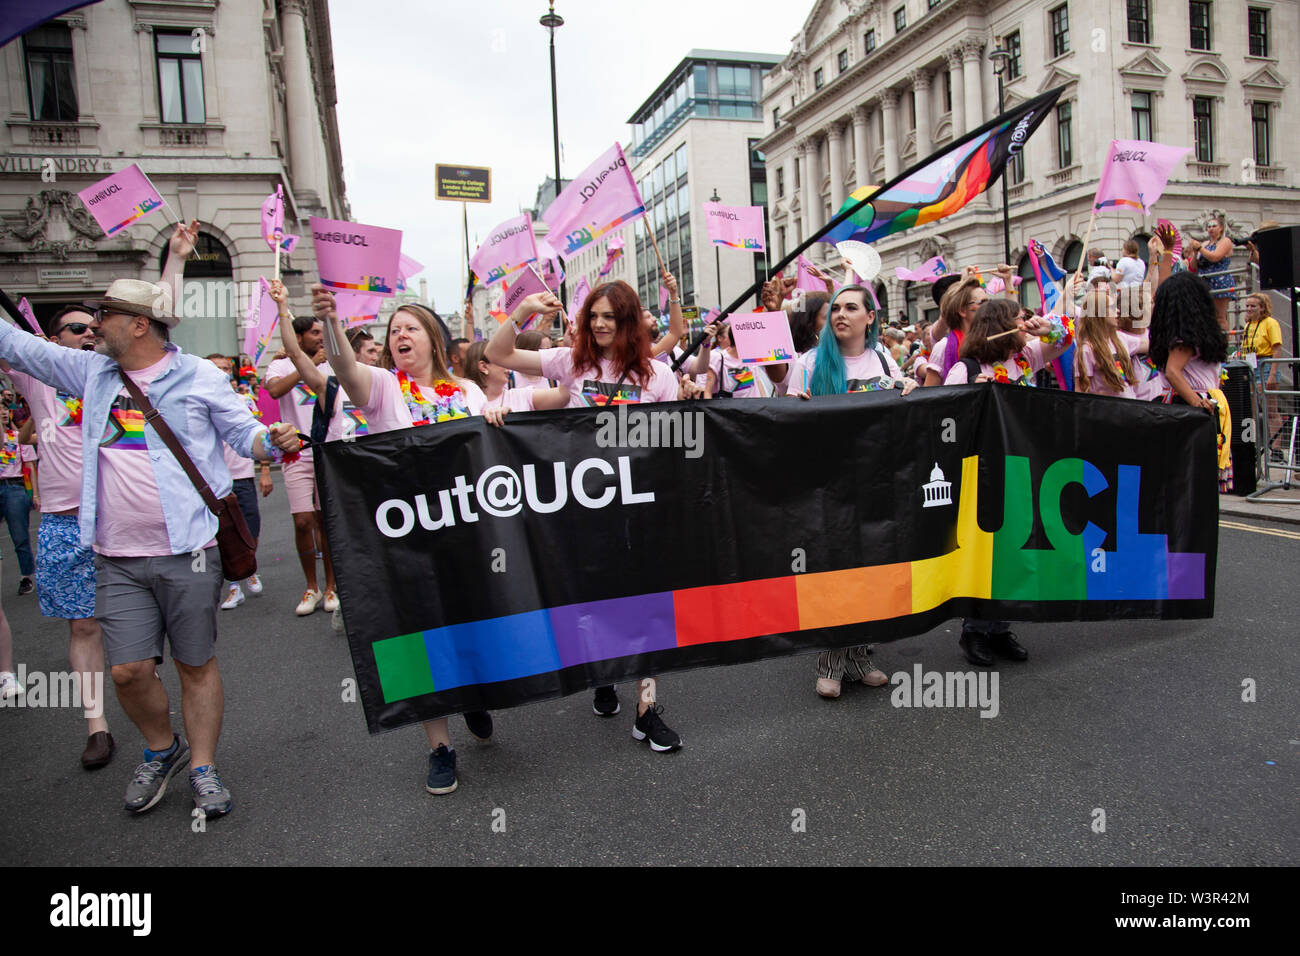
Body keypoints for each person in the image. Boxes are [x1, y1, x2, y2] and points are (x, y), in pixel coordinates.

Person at [0, 277, 299, 818]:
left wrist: (269, 443)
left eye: (106, 316)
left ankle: (204, 767)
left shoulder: (197, 375)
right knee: (128, 672)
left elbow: (244, 433)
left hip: (189, 549)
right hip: (115, 555)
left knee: (194, 663)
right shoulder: (91, 372)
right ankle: (163, 749)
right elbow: (20, 346)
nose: (95, 327)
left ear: (139, 324)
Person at [301, 282, 493, 795]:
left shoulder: (468, 391)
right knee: (419, 633)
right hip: (409, 535)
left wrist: (495, 417)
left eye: (410, 327)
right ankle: (439, 747)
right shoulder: (385, 388)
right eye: (393, 330)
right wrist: (333, 324)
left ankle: (472, 692)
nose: (400, 335)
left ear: (432, 337)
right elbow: (345, 370)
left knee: (471, 623)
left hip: (467, 530)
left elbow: (488, 451)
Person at [486, 282, 689, 751]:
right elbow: (502, 355)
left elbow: (674, 443)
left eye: (610, 317)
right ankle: (605, 672)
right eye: (593, 315)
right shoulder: (570, 361)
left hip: (638, 510)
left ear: (628, 321)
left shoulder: (657, 376)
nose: (599, 324)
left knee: (646, 604)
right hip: (581, 509)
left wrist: (691, 394)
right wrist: (524, 312)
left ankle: (646, 710)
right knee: (592, 600)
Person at [785, 285, 917, 697]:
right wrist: (798, 407)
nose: (841, 314)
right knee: (837, 574)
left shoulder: (882, 359)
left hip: (876, 483)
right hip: (829, 486)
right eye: (836, 308)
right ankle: (831, 662)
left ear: (870, 318)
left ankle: (860, 657)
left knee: (872, 572)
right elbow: (784, 421)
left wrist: (909, 389)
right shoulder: (807, 362)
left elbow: (898, 411)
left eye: (851, 307)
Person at [0, 306, 116, 765]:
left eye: (94, 327)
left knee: (136, 625)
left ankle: (148, 708)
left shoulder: (113, 374)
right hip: (64, 521)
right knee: (83, 623)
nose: (89, 333)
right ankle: (97, 725)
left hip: (120, 518)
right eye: (76, 328)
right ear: (52, 339)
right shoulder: (36, 377)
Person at [265, 316, 338, 617]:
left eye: (323, 333)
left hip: (327, 450)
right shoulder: (281, 364)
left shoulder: (332, 363)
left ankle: (332, 586)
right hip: (296, 450)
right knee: (302, 521)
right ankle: (312, 586)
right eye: (315, 333)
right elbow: (274, 391)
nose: (320, 338)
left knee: (326, 520)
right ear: (298, 337)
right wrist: (302, 366)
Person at [1148, 271, 1233, 492]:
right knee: (1193, 479)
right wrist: (1197, 403)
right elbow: (1173, 372)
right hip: (1192, 405)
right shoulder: (1184, 339)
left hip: (1203, 402)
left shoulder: (1193, 336)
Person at [207, 355, 270, 609]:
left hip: (243, 475)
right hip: (216, 481)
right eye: (216, 369)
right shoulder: (200, 400)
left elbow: (259, 435)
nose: (222, 373)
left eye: (225, 369)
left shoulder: (244, 401)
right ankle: (234, 586)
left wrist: (265, 471)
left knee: (250, 527)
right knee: (222, 533)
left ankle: (249, 566)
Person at [1072, 289, 1150, 399]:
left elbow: (1149, 345)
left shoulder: (1120, 338)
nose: (1118, 311)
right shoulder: (1087, 349)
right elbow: (1081, 390)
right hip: (1106, 413)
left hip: (1130, 410)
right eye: (1112, 307)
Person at [1239, 293, 1286, 461]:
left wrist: (1272, 374)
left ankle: (1276, 449)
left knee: (1270, 410)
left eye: (1253, 306)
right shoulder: (1248, 325)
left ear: (1262, 308)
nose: (1249, 309)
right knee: (1251, 411)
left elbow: (1277, 349)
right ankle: (1252, 446)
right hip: (1250, 365)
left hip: (1265, 365)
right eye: (1248, 305)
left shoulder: (1270, 323)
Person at [460, 341, 569, 412]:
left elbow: (565, 394)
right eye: (502, 362)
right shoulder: (462, 402)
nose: (509, 368)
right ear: (484, 367)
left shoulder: (522, 397)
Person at [922, 277, 987, 387]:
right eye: (982, 303)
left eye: (989, 302)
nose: (989, 308)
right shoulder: (943, 347)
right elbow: (929, 395)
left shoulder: (992, 340)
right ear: (962, 310)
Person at [0, 403, 35, 597]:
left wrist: (34, 494)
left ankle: (26, 576)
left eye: (5, 409)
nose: (3, 413)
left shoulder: (17, 437)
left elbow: (29, 465)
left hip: (14, 488)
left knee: (20, 536)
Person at [1185, 216, 1235, 331]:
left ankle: (1223, 345)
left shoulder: (1225, 241)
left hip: (1219, 280)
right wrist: (1195, 251)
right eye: (1209, 226)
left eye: (1214, 226)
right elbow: (1193, 266)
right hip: (1204, 281)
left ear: (1221, 228)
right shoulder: (1205, 243)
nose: (1211, 229)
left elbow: (1215, 257)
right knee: (1206, 317)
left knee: (1220, 317)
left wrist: (1200, 249)